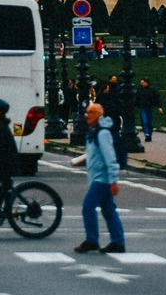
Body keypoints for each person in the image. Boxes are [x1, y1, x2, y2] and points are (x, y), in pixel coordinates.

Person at [71, 102, 125, 254]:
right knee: (108, 210)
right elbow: (97, 155)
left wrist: (113, 180)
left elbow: (110, 158)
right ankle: (118, 242)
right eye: (87, 112)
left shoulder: (102, 133)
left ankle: (92, 240)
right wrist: (83, 161)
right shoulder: (95, 131)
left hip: (102, 178)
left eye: (91, 112)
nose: (86, 115)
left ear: (99, 115)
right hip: (99, 176)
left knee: (88, 207)